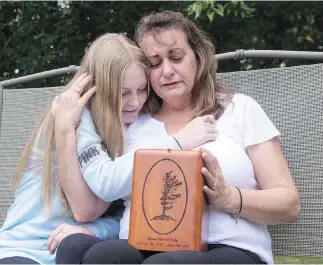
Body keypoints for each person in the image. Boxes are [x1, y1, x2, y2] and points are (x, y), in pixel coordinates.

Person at [55, 11, 300, 265]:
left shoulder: (240, 109)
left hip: (229, 249)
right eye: (155, 63)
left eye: (176, 57)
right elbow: (97, 196)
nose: (167, 71)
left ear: (198, 56)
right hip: (142, 244)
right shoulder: (132, 120)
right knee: (101, 256)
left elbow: (289, 204)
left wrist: (228, 198)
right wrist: (66, 125)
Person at [0, 32, 214, 264]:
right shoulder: (74, 115)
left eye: (142, 89)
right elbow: (86, 210)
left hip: (75, 249)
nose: (135, 102)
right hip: (25, 249)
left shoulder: (134, 125)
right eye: (122, 93)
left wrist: (96, 230)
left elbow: (128, 213)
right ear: (96, 89)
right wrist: (178, 143)